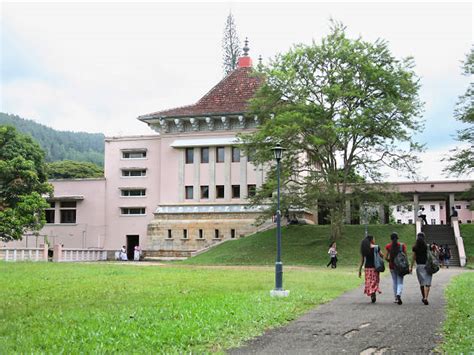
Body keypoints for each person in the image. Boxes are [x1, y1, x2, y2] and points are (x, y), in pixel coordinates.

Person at [358, 235, 383, 303]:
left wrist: (360, 270)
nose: (374, 240)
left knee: (369, 281)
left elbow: (362, 260)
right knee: (375, 281)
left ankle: (372, 293)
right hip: (375, 267)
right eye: (374, 239)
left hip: (367, 268)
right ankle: (373, 292)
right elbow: (382, 255)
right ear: (371, 240)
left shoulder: (364, 248)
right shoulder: (376, 247)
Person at [385, 232, 407, 305]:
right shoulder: (402, 246)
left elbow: (386, 257)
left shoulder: (388, 246)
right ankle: (398, 294)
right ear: (397, 238)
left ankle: (396, 298)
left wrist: (390, 261)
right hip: (400, 267)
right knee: (400, 282)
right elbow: (405, 256)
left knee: (394, 282)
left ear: (391, 239)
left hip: (392, 266)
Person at [410, 232, 432, 305]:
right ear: (424, 238)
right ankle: (426, 298)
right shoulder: (427, 246)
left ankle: (423, 297)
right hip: (427, 266)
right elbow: (431, 256)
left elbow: (413, 258)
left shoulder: (415, 247)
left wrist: (411, 267)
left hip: (419, 266)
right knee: (427, 283)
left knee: (422, 283)